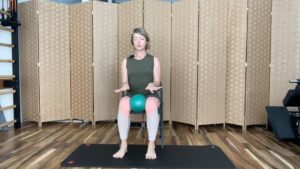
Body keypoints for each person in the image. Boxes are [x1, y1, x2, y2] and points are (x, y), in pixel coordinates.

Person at [113, 27, 162, 160]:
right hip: (132, 94)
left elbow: (157, 81)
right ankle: (123, 145)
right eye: (135, 39)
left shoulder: (154, 60)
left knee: (151, 104)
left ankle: (151, 145)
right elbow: (125, 82)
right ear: (132, 42)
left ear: (146, 42)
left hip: (149, 94)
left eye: (141, 39)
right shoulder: (126, 61)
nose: (138, 41)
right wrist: (124, 86)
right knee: (123, 102)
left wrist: (153, 84)